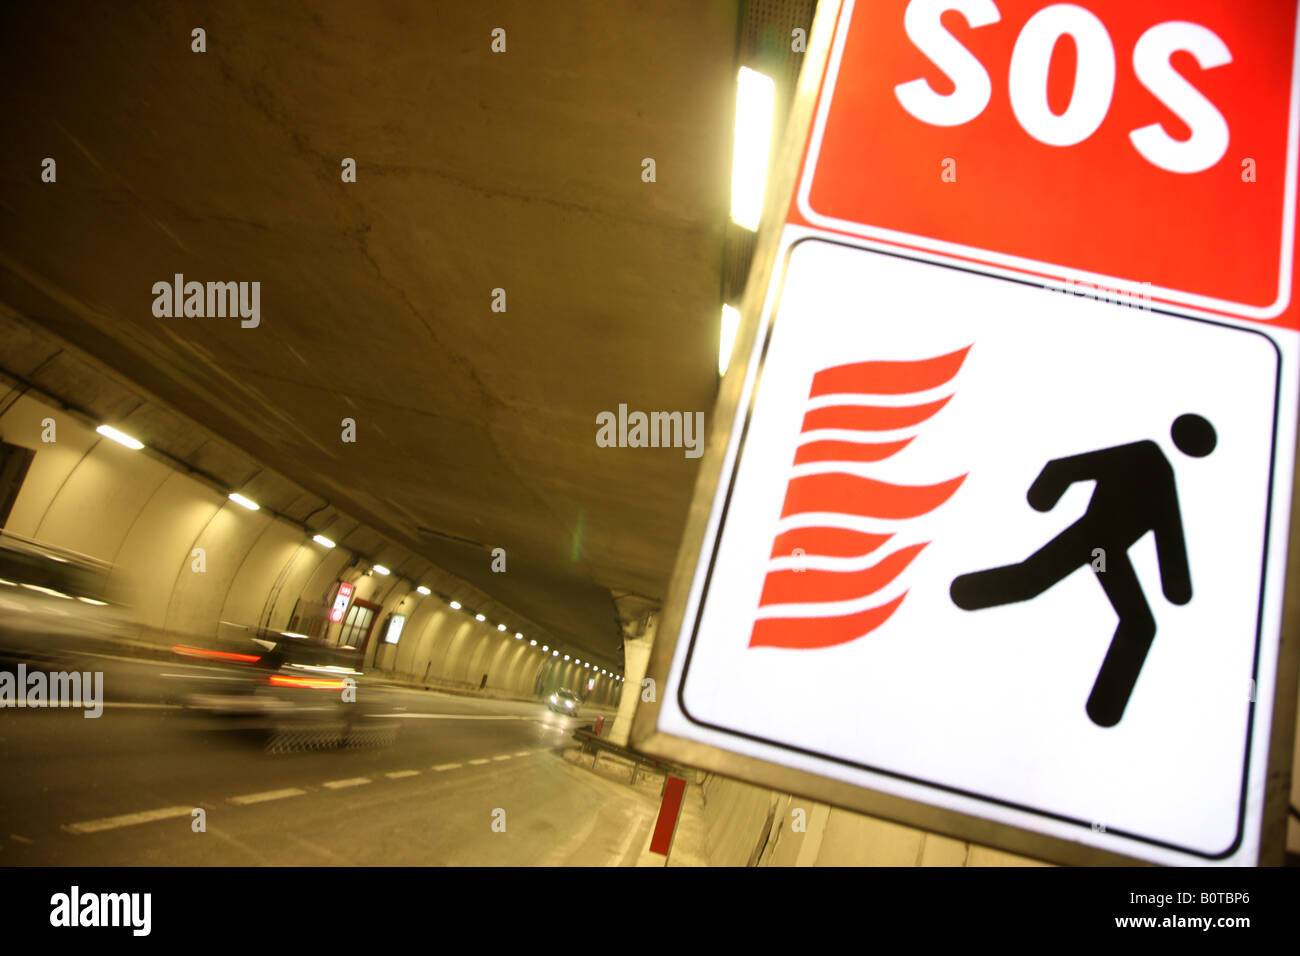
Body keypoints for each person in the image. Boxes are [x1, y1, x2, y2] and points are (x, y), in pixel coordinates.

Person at [950, 414, 1216, 726]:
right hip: (1098, 544)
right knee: (1134, 621)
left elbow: (1166, 532)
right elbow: (1166, 531)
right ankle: (965, 592)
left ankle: (1104, 708)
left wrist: (1045, 493)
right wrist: (1176, 587)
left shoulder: (1151, 462)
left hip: (1101, 548)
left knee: (1040, 583)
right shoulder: (1151, 462)